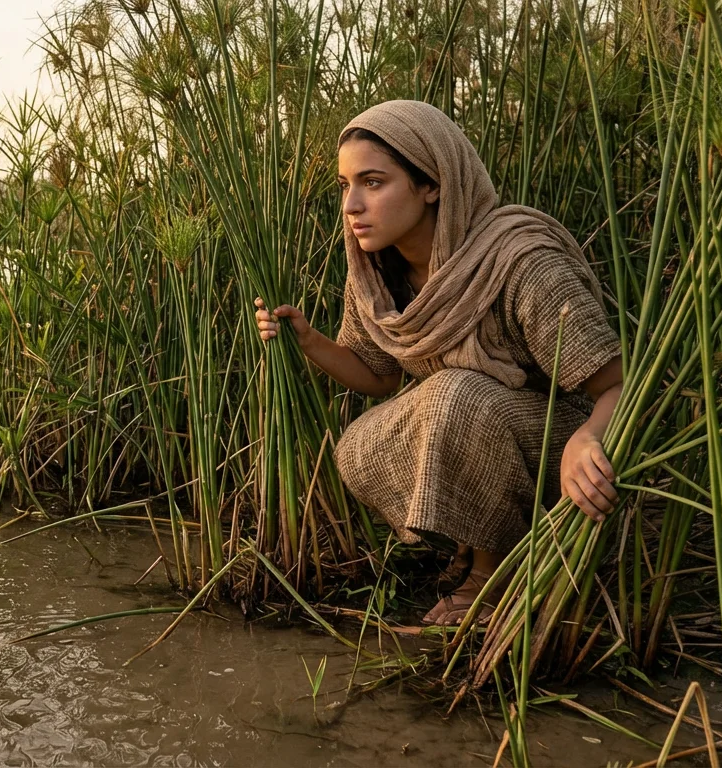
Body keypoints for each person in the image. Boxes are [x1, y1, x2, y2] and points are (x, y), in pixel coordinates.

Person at [253, 100, 623, 625]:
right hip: (478, 430)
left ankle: (489, 578)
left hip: (564, 446)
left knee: (455, 395)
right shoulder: (378, 272)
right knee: (359, 444)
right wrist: (308, 339)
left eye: (373, 183)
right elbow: (379, 376)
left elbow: (617, 381)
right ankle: (469, 546)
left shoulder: (519, 260)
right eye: (344, 185)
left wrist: (588, 439)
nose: (351, 205)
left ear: (432, 184)